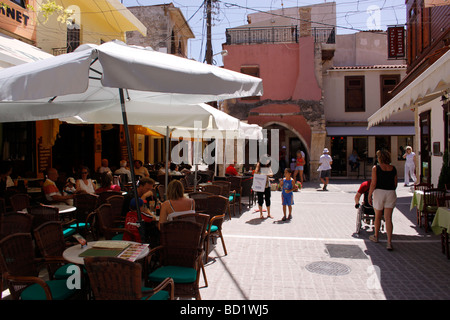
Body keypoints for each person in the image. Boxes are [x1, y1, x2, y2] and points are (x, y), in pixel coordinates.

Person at [368, 150, 397, 251]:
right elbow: (395, 183)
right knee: (388, 218)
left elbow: (373, 183)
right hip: (391, 192)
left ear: (379, 158)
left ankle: (376, 236)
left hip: (379, 192)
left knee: (378, 216)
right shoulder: (393, 168)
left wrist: (369, 194)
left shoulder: (376, 168)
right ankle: (389, 242)